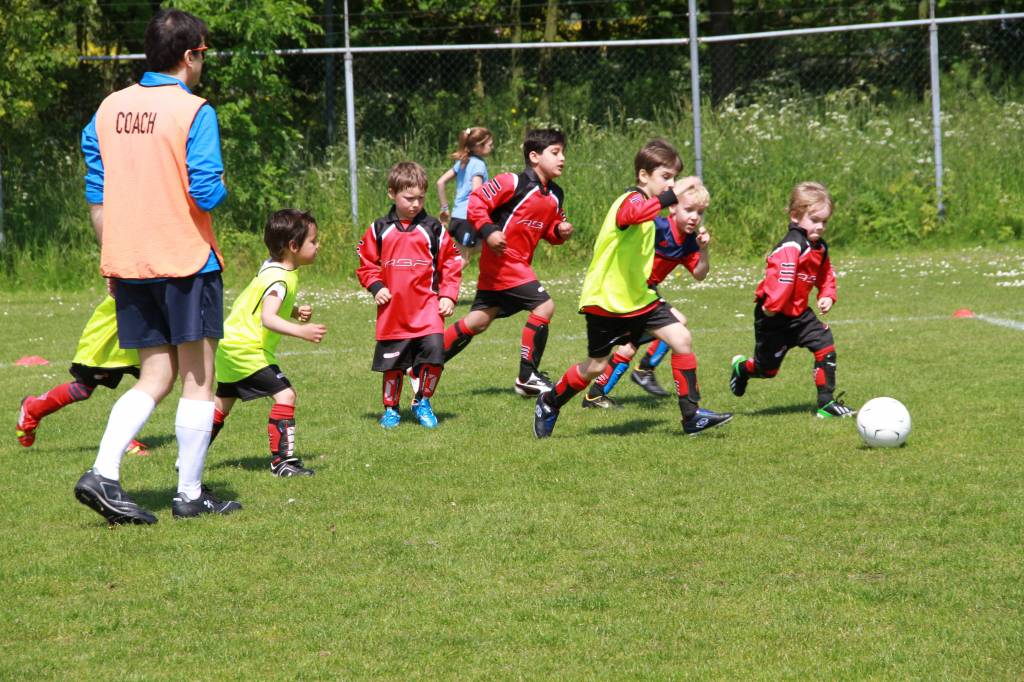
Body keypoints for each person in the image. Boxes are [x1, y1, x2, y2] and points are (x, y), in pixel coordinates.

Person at [75, 8, 239, 524]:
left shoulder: (108, 108)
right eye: (203, 53)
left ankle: (103, 471)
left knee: (155, 374)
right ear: (189, 56)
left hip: (128, 261)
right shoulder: (194, 110)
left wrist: (113, 254)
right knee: (199, 379)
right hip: (185, 259)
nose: (203, 62)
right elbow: (205, 192)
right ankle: (189, 495)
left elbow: (97, 191)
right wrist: (224, 185)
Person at [533, 138, 732, 438]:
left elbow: (691, 265)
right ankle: (549, 402)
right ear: (643, 175)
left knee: (681, 338)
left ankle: (692, 416)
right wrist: (675, 193)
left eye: (674, 178)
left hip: (639, 299)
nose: (671, 184)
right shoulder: (630, 199)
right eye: (666, 177)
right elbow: (633, 215)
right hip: (606, 300)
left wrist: (701, 247)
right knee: (595, 367)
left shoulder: (652, 213)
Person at [442, 128, 574, 397]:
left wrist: (559, 232)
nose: (562, 158)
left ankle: (423, 362)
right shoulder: (511, 182)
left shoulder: (556, 194)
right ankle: (527, 376)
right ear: (534, 156)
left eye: (563, 153)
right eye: (555, 152)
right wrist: (489, 231)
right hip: (504, 262)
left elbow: (548, 230)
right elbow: (476, 201)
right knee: (545, 306)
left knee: (478, 321)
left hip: (513, 265)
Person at [211, 209, 326, 476]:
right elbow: (268, 318)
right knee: (286, 395)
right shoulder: (280, 279)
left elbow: (264, 301)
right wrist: (301, 330)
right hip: (247, 349)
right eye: (312, 241)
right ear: (293, 246)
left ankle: (189, 458)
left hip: (230, 345)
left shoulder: (271, 267)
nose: (317, 245)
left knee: (221, 404)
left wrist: (293, 310)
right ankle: (282, 463)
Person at [729, 181, 855, 418]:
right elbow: (779, 278)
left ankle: (826, 404)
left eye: (825, 222)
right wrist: (772, 307)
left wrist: (827, 294)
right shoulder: (792, 245)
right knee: (767, 370)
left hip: (800, 315)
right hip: (773, 317)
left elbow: (825, 273)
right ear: (795, 216)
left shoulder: (819, 247)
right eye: (815, 220)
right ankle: (742, 368)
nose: (820, 227)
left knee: (824, 343)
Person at [582, 188, 714, 408]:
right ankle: (638, 373)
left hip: (646, 294)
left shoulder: (689, 241)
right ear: (673, 207)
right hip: (629, 293)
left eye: (699, 212)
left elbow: (700, 274)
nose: (694, 217)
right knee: (644, 340)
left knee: (652, 336)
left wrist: (704, 250)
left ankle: (605, 389)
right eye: (689, 209)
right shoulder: (657, 227)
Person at [357, 162, 462, 429]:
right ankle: (391, 409)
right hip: (393, 313)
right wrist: (376, 286)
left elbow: (451, 262)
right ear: (392, 193)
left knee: (435, 356)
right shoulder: (379, 228)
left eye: (421, 198)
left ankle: (422, 401)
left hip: (428, 310)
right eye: (409, 198)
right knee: (392, 366)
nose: (416, 204)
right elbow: (366, 263)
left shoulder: (433, 228)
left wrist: (448, 295)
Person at [16, 296, 148, 456]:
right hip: (112, 332)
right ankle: (32, 409)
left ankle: (123, 437)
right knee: (83, 389)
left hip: (145, 325)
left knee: (158, 380)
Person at [436, 126, 493, 266]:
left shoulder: (463, 162)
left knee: (490, 242)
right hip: (469, 218)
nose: (492, 147)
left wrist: (444, 208)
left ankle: (441, 259)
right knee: (463, 259)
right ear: (478, 146)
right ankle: (437, 278)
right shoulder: (479, 165)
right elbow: (476, 192)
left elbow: (440, 182)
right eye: (490, 144)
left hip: (457, 217)